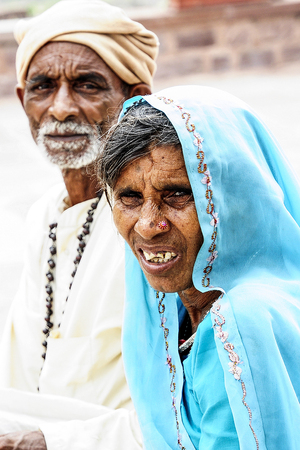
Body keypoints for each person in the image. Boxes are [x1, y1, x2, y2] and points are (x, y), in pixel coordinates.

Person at [99, 85, 300, 449]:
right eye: (129, 197)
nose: (147, 224)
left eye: (176, 194)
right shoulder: (174, 304)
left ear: (232, 199)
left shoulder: (241, 322)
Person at [0, 1, 158, 449]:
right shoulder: (43, 216)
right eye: (43, 87)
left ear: (134, 98)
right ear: (22, 101)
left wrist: (53, 441)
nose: (62, 108)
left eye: (87, 85)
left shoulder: (160, 222)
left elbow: (196, 407)